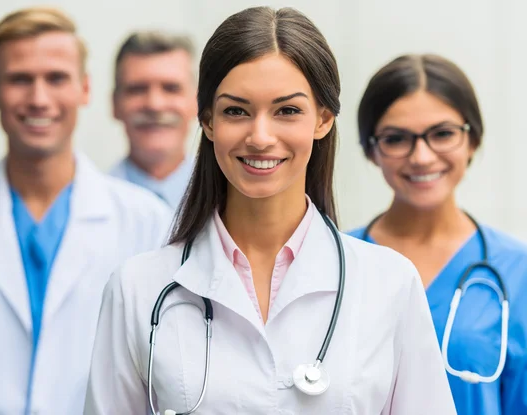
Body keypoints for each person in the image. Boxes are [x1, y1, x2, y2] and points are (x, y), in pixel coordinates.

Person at [83, 7, 457, 415]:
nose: (260, 136)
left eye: (287, 111)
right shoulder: (137, 289)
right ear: (207, 121)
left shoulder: (391, 285)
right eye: (236, 111)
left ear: (323, 119)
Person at [0, 7, 172, 415]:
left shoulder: (146, 222)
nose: (39, 99)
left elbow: (163, 376)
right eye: (20, 79)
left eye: (56, 78)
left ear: (85, 88)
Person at [349, 54, 527, 414]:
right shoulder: (336, 264)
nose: (422, 157)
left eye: (442, 134)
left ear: (472, 139)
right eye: (396, 138)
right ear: (371, 150)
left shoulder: (518, 271)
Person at [109, 30, 198, 210]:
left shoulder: (229, 201)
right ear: (115, 104)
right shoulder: (93, 200)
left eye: (171, 88)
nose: (154, 105)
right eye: (137, 89)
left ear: (197, 102)